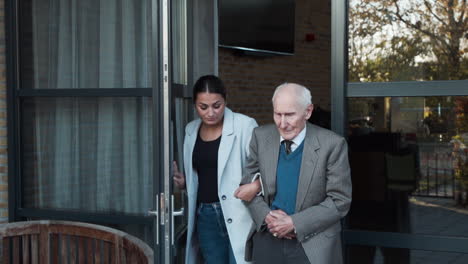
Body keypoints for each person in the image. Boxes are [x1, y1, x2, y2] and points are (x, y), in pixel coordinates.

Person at [235, 83, 352, 264]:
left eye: (289, 115)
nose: (282, 123)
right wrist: (268, 218)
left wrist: (294, 223)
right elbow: (247, 186)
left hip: (312, 244)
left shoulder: (333, 144)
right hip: (267, 238)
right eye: (277, 114)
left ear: (308, 111)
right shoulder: (260, 136)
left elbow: (340, 200)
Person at [173, 75, 259, 264]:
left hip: (240, 212)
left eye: (216, 105)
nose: (210, 112)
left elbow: (265, 168)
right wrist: (185, 183)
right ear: (195, 104)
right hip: (205, 216)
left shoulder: (245, 125)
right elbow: (204, 173)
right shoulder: (190, 130)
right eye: (203, 107)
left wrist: (256, 185)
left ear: (225, 100)